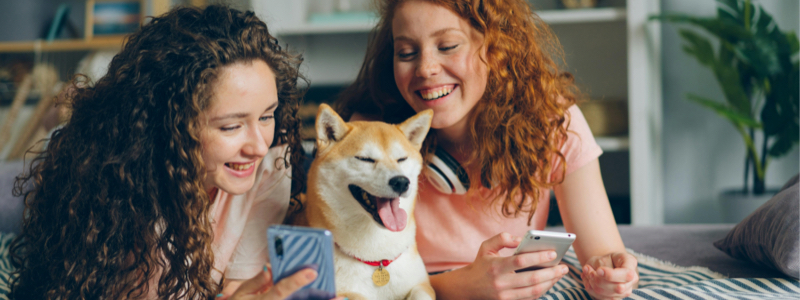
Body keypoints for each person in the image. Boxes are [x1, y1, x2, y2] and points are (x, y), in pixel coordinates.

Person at [9, 5, 338, 300]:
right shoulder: (127, 190)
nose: (259, 145)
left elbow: (241, 286)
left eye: (267, 116)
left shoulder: (271, 161)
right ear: (170, 126)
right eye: (230, 127)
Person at [334, 0, 639, 299]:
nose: (425, 68)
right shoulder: (367, 139)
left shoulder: (554, 121)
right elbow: (359, 279)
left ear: (496, 48)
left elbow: (602, 253)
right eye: (407, 53)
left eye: (448, 46)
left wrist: (611, 273)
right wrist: (460, 287)